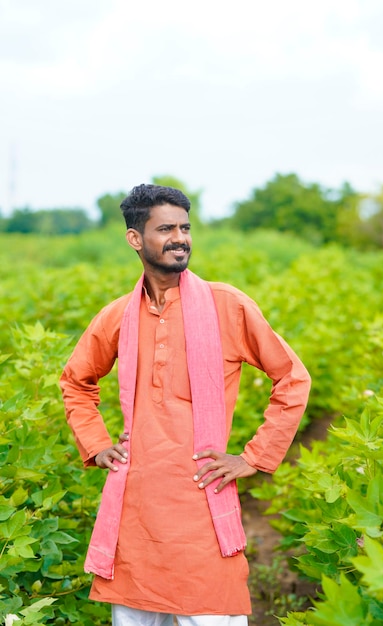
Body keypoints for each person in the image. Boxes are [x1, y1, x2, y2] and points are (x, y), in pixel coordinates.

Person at [60, 183, 311, 626]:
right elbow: (76, 381)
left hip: (201, 504)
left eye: (186, 227)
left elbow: (292, 378)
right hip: (136, 511)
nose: (180, 237)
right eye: (166, 228)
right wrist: (98, 444)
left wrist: (254, 457)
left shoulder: (226, 305)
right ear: (135, 239)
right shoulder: (118, 315)